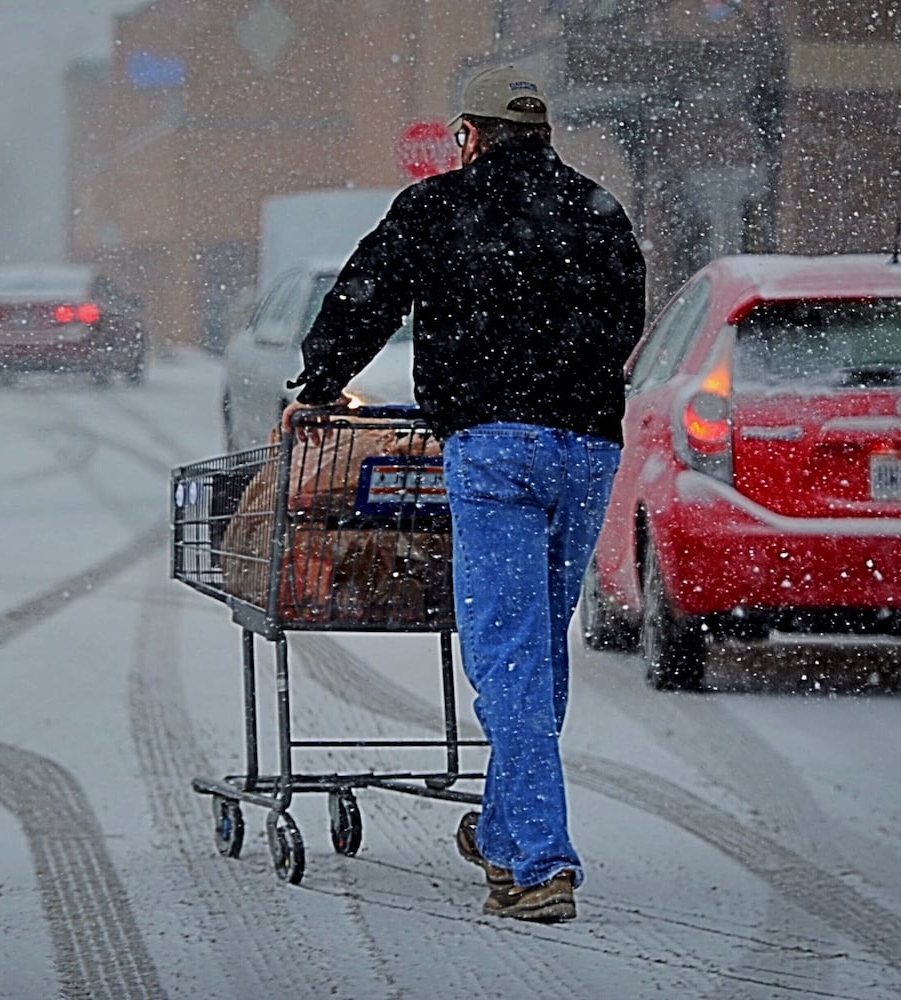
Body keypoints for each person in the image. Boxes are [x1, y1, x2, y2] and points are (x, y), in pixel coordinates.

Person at [281, 65, 645, 923]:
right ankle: (504, 828)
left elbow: (364, 296)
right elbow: (624, 322)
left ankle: (537, 865)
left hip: (495, 450)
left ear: (467, 136)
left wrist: (321, 380)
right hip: (586, 448)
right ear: (543, 137)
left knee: (506, 653)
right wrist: (567, 377)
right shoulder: (596, 211)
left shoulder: (437, 208)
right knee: (539, 650)